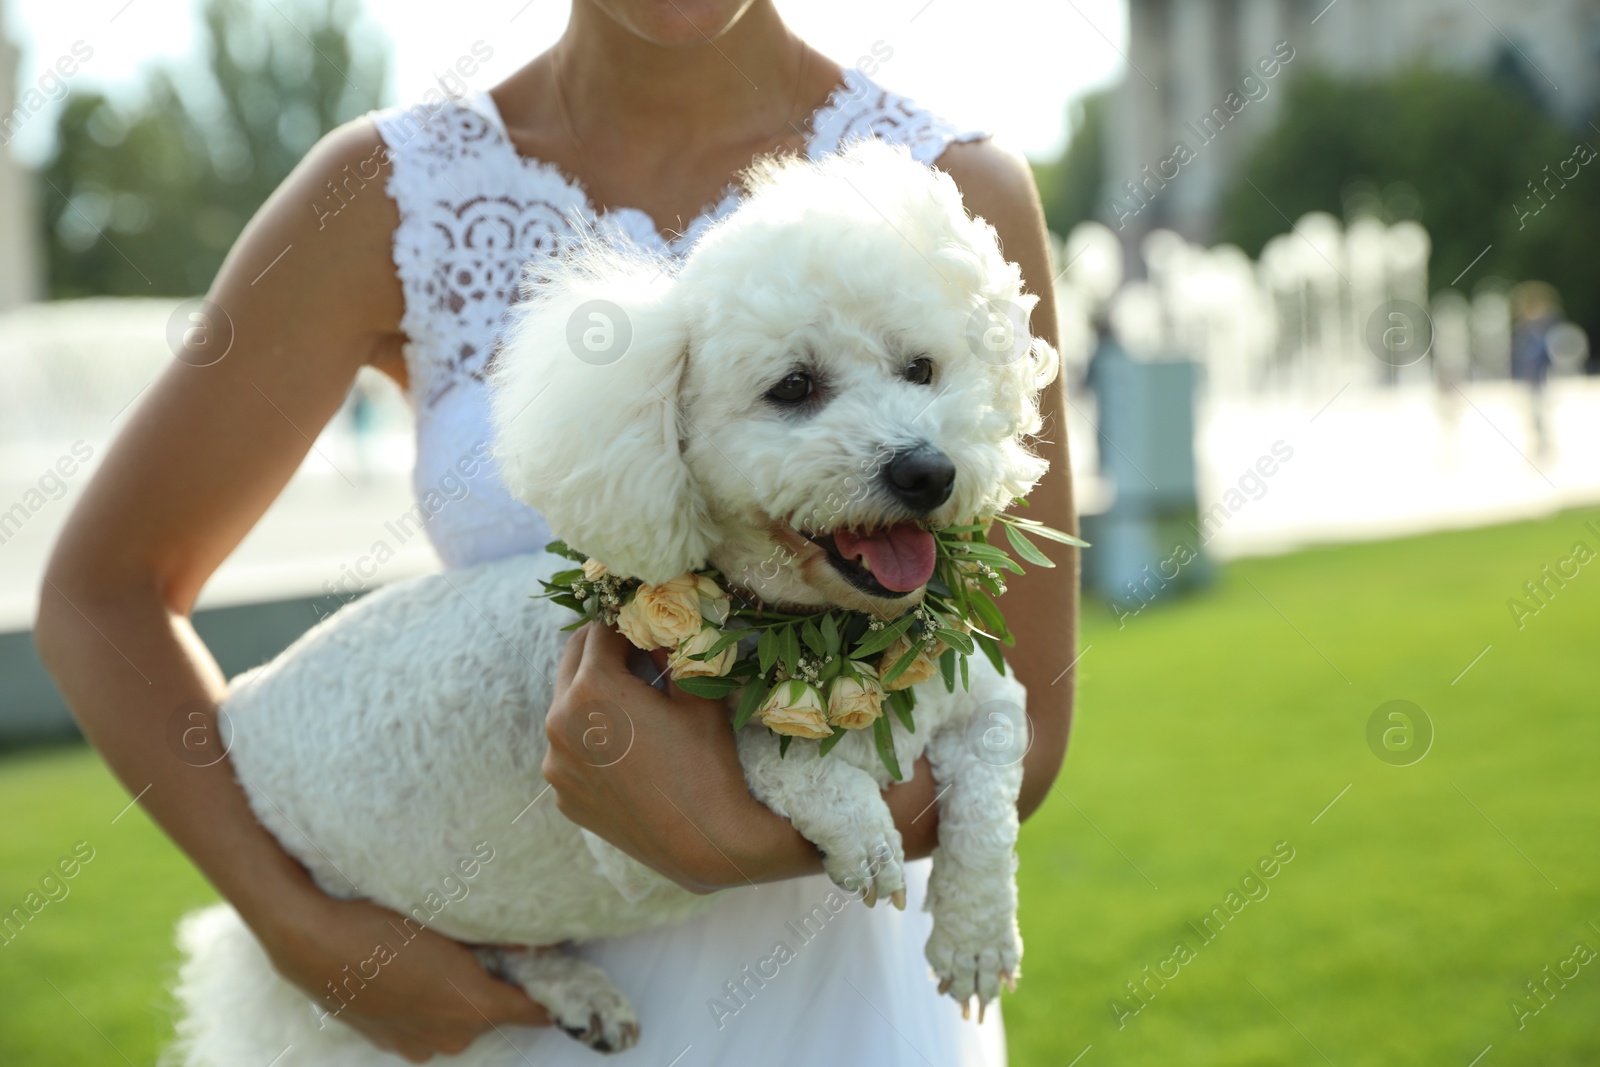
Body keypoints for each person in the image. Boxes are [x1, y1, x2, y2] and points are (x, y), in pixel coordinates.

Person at [36, 2, 1078, 1062]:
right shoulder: (387, 193)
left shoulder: (956, 192)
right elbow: (99, 593)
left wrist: (728, 834)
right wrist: (297, 925)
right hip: (513, 999)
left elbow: (1022, 714)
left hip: (855, 998)